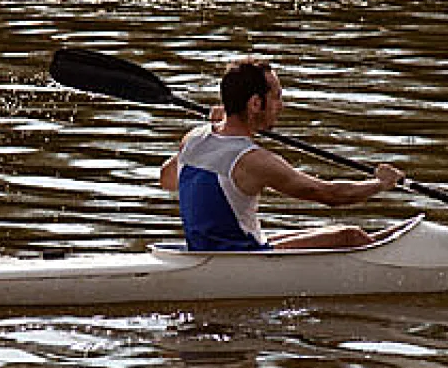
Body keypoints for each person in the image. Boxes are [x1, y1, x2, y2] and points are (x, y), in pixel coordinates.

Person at [159, 58, 404, 251]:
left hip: (207, 252)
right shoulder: (255, 161)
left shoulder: (193, 139)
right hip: (241, 260)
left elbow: (167, 180)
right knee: (351, 237)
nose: (281, 106)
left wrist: (220, 123)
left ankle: (401, 235)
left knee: (337, 232)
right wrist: (380, 184)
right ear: (255, 103)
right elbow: (329, 194)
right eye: (276, 97)